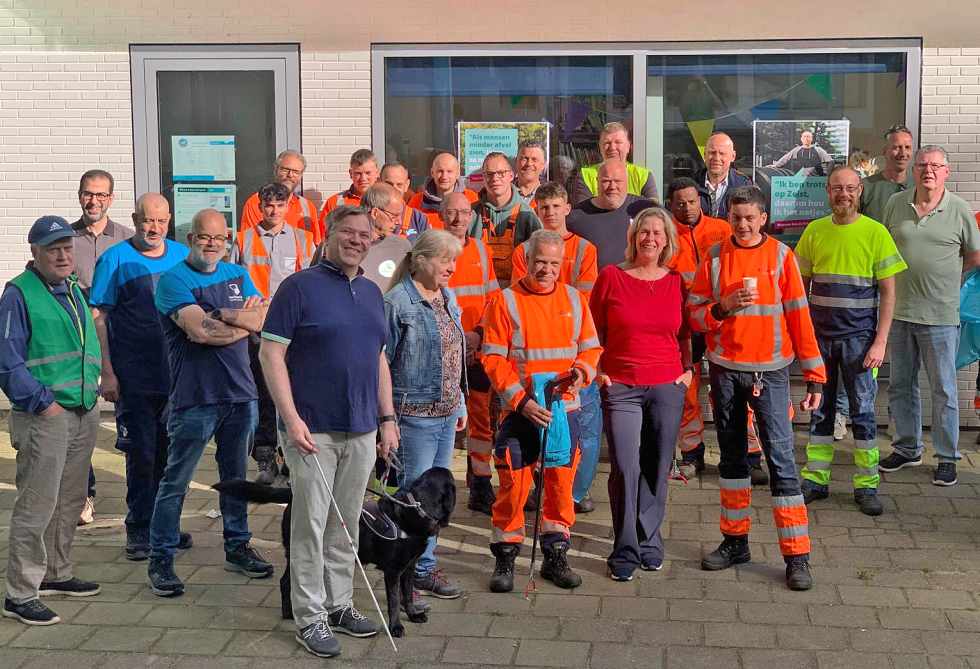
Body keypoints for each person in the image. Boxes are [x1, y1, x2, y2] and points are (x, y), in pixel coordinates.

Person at [260, 205, 398, 657]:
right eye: (349, 233)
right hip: (311, 429)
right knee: (310, 527)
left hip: (361, 429)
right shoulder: (298, 287)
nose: (358, 240)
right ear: (330, 234)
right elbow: (271, 354)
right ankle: (310, 617)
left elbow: (377, 359)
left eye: (365, 235)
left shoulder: (373, 292)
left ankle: (340, 604)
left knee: (346, 525)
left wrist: (387, 418)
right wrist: (290, 417)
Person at [688, 186, 825, 591]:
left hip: (773, 373)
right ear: (727, 217)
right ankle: (735, 543)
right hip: (726, 372)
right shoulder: (713, 258)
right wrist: (722, 307)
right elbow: (695, 316)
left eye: (750, 217)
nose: (743, 224)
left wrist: (815, 375)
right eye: (736, 217)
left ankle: (797, 557)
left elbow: (801, 318)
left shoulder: (782, 257)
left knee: (782, 461)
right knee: (731, 462)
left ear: (764, 218)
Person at [147, 209, 274, 597]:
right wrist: (242, 320)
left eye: (219, 238)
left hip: (241, 395)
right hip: (195, 398)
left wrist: (226, 317)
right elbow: (202, 333)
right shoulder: (172, 280)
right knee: (177, 482)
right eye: (205, 237)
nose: (212, 244)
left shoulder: (236, 273)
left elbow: (266, 318)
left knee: (235, 479)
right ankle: (161, 558)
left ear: (228, 240)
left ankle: (237, 547)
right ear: (191, 239)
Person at [481, 229, 603, 593]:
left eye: (553, 263)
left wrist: (582, 371)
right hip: (521, 413)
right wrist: (523, 401)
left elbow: (591, 348)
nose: (546, 269)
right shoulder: (505, 301)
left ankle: (555, 554)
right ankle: (505, 556)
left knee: (560, 486)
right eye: (540, 262)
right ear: (527, 260)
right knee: (514, 486)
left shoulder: (575, 299)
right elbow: (492, 358)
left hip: (565, 413)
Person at [0, 216, 102, 626]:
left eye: (67, 247)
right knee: (37, 504)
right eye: (53, 248)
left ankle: (55, 574)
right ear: (35, 253)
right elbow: (7, 361)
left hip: (82, 410)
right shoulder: (19, 294)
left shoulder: (72, 288)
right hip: (47, 415)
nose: (63, 255)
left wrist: (95, 389)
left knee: (69, 500)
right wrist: (43, 404)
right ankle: (21, 593)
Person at [794, 166, 907, 516]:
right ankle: (815, 479)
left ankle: (867, 484)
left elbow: (889, 295)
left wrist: (880, 343)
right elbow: (800, 289)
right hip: (820, 340)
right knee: (820, 410)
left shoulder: (876, 233)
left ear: (860, 192)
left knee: (863, 413)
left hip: (860, 341)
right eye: (837, 188)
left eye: (850, 188)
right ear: (827, 192)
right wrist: (803, 339)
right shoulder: (814, 231)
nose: (844, 194)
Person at [89, 194, 192, 561]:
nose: (154, 228)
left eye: (161, 222)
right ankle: (138, 528)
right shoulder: (114, 259)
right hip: (134, 378)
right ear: (135, 218)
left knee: (173, 455)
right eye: (148, 220)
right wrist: (107, 372)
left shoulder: (182, 256)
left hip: (177, 378)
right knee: (141, 455)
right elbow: (99, 317)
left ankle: (164, 525)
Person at [591, 208, 692, 581]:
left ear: (667, 240)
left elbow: (684, 333)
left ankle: (649, 539)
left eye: (657, 233)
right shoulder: (612, 277)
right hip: (622, 386)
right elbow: (594, 330)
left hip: (667, 385)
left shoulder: (676, 281)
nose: (650, 238)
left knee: (657, 466)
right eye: (643, 232)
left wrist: (687, 372)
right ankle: (625, 547)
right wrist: (600, 373)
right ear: (633, 238)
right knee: (625, 467)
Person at [880, 146, 980, 486]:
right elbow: (884, 249)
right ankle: (907, 448)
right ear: (913, 171)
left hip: (940, 315)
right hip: (899, 311)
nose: (928, 171)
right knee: (900, 386)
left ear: (947, 172)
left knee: (944, 391)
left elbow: (974, 256)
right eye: (922, 165)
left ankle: (948, 456)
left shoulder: (960, 210)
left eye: (936, 166)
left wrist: (950, 279)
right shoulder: (895, 205)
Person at [384, 229, 467, 602]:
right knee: (413, 502)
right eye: (444, 260)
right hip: (413, 418)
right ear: (421, 261)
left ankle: (423, 568)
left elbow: (454, 358)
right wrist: (385, 418)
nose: (452, 267)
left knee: (434, 500)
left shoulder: (447, 297)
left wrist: (460, 403)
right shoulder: (397, 303)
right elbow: (380, 364)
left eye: (454, 260)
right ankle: (408, 573)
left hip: (447, 415)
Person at [665, 177, 767, 481]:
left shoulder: (723, 228)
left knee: (742, 392)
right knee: (688, 394)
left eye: (692, 201)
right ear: (671, 205)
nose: (687, 207)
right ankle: (692, 455)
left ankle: (751, 456)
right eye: (680, 202)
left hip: (726, 319)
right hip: (686, 323)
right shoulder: (666, 233)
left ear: (702, 201)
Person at [510, 182, 600, 513]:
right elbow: (525, 295)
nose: (549, 212)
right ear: (536, 208)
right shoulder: (523, 250)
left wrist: (560, 306)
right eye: (543, 207)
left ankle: (576, 491)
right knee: (537, 430)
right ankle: (540, 488)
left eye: (555, 206)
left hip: (572, 349)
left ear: (566, 208)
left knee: (581, 430)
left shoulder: (585, 249)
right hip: (534, 357)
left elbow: (584, 301)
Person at [229, 182, 315, 484]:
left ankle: (293, 457)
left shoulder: (304, 240)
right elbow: (232, 284)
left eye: (280, 204)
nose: (274, 210)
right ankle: (265, 456)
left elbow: (310, 283)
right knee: (263, 392)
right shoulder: (244, 239)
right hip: (256, 326)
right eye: (268, 205)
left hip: (293, 326)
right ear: (260, 206)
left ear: (288, 206)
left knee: (295, 390)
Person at [71, 168, 133, 524]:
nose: (93, 201)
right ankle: (84, 495)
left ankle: (138, 500)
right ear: (80, 195)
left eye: (100, 195)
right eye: (87, 194)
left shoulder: (126, 240)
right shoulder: (65, 238)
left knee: (126, 425)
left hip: (119, 344)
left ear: (111, 198)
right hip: (78, 346)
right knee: (80, 423)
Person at [442, 193, 500, 515]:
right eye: (452, 212)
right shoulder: (431, 249)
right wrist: (455, 340)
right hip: (444, 352)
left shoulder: (482, 250)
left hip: (476, 350)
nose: (459, 218)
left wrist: (477, 334)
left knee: (480, 420)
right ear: (441, 215)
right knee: (444, 421)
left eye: (464, 212)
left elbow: (492, 299)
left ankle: (480, 484)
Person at [312, 184, 412, 290]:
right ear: (375, 213)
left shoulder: (402, 248)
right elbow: (313, 282)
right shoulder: (333, 244)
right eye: (394, 215)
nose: (399, 222)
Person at [566, 159, 659, 271]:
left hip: (637, 285)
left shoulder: (645, 209)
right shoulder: (575, 217)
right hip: (593, 286)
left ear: (627, 181)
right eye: (606, 181)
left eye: (618, 181)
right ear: (597, 182)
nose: (612, 186)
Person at [467, 152, 542, 289]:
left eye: (501, 173)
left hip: (516, 298)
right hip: (478, 296)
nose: (495, 178)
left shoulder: (526, 215)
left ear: (511, 176)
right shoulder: (470, 214)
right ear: (483, 177)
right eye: (489, 174)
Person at [240, 150, 321, 243]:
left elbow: (315, 245)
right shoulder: (256, 202)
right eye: (286, 169)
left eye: (296, 172)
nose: (290, 175)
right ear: (276, 170)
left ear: (301, 175)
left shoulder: (307, 207)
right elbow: (249, 243)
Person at [571, 122, 659, 205]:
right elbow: (583, 212)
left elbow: (653, 210)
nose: (612, 148)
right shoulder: (585, 176)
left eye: (618, 142)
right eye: (607, 143)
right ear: (600, 146)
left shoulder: (643, 176)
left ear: (628, 146)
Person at [408, 151, 480, 229]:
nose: (444, 177)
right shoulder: (417, 202)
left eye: (449, 171)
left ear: (458, 174)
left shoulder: (472, 199)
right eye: (440, 171)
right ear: (432, 172)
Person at [860, 125, 915, 223]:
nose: (903, 153)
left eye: (908, 148)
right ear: (885, 152)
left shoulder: (918, 188)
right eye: (897, 147)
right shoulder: (865, 188)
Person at [694, 132, 752, 221]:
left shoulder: (743, 185)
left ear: (733, 156)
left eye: (722, 153)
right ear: (705, 154)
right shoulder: (692, 184)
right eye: (712, 152)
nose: (716, 158)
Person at [319, 149, 381, 229]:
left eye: (368, 173)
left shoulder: (389, 200)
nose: (363, 178)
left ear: (377, 173)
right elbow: (324, 236)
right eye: (358, 173)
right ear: (350, 174)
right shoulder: (335, 203)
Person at [381, 161, 430, 243]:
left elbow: (428, 251)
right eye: (389, 184)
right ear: (379, 182)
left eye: (399, 185)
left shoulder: (418, 218)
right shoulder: (369, 216)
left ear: (407, 185)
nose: (394, 189)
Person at [768, 130, 833, 176]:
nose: (806, 138)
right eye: (804, 137)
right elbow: (786, 158)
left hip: (816, 180)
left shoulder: (818, 150)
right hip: (802, 180)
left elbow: (830, 161)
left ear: (811, 139)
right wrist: (776, 165)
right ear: (801, 139)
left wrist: (828, 175)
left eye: (808, 137)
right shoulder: (797, 150)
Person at [515, 140, 547, 209]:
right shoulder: (504, 193)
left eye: (534, 159)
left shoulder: (549, 197)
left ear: (543, 165)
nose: (529, 164)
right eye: (524, 159)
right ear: (516, 162)